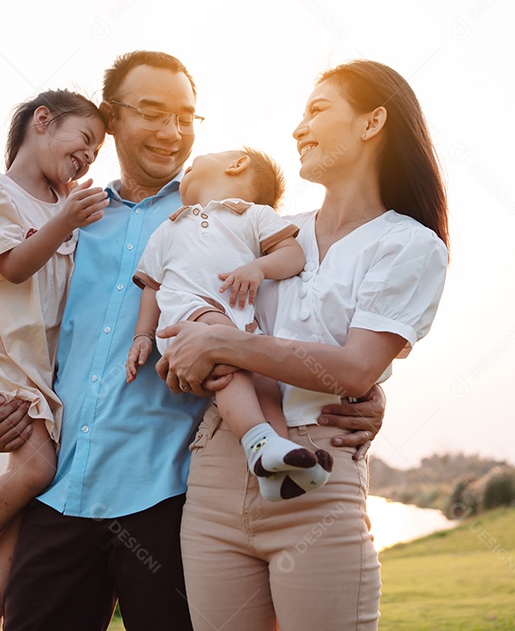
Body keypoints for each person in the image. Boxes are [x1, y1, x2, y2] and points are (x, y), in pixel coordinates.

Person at [0, 51, 387, 631]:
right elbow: (8, 325)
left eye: (187, 118)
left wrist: (372, 388)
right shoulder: (65, 216)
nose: (173, 133)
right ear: (111, 118)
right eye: (153, 112)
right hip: (59, 492)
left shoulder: (231, 214)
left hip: (172, 501)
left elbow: (312, 311)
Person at [157, 60, 449, 630]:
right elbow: (199, 319)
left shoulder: (409, 245)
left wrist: (221, 344)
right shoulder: (266, 229)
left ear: (372, 123)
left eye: (318, 110)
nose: (298, 128)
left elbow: (357, 369)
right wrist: (184, 358)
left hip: (318, 472)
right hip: (217, 470)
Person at [0, 89, 109, 629]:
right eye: (84, 139)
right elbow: (12, 267)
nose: (89, 156)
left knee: (29, 489)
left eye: (98, 151)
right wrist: (66, 220)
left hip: (44, 364)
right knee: (38, 468)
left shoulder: (69, 208)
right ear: (43, 121)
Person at [127, 147, 334, 501]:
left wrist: (259, 268)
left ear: (237, 164)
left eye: (195, 163)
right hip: (188, 319)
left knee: (266, 378)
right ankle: (256, 440)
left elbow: (293, 254)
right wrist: (142, 335)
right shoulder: (169, 227)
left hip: (239, 321)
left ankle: (280, 460)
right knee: (225, 352)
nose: (186, 170)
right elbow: (152, 288)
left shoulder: (254, 215)